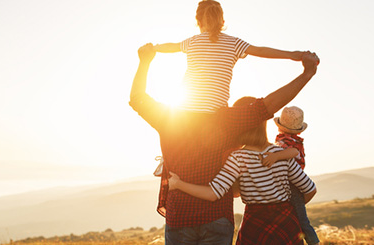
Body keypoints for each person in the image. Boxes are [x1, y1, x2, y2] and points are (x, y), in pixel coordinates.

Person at [130, 43, 319, 244]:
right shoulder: (231, 121)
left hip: (181, 216)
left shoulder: (169, 117)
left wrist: (145, 62)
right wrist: (307, 73)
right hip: (222, 217)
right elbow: (270, 104)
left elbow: (137, 98)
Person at [167, 96, 317, 244]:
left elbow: (213, 193)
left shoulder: (238, 158)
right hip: (287, 227)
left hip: (255, 227)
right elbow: (310, 189)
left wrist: (178, 184)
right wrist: (287, 209)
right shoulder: (281, 153)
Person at [154, 0, 306, 112]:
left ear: (198, 21)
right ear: (222, 21)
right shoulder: (234, 43)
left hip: (185, 110)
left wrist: (153, 48)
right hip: (216, 112)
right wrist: (292, 55)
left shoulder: (192, 41)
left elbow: (171, 46)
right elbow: (260, 51)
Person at [260, 105, 320, 244]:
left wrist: (275, 157)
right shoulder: (292, 139)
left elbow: (293, 152)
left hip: (291, 182)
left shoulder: (286, 141)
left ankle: (313, 241)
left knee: (301, 218)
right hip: (293, 181)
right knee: (297, 215)